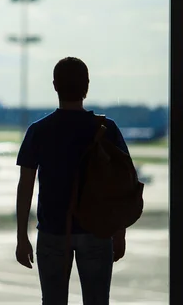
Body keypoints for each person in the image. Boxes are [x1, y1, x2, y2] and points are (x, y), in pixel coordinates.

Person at [15, 56, 129, 305]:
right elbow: (121, 185)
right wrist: (118, 232)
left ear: (55, 85)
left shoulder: (39, 131)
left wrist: (21, 236)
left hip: (53, 231)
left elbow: (25, 187)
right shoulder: (106, 129)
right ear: (86, 87)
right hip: (98, 231)